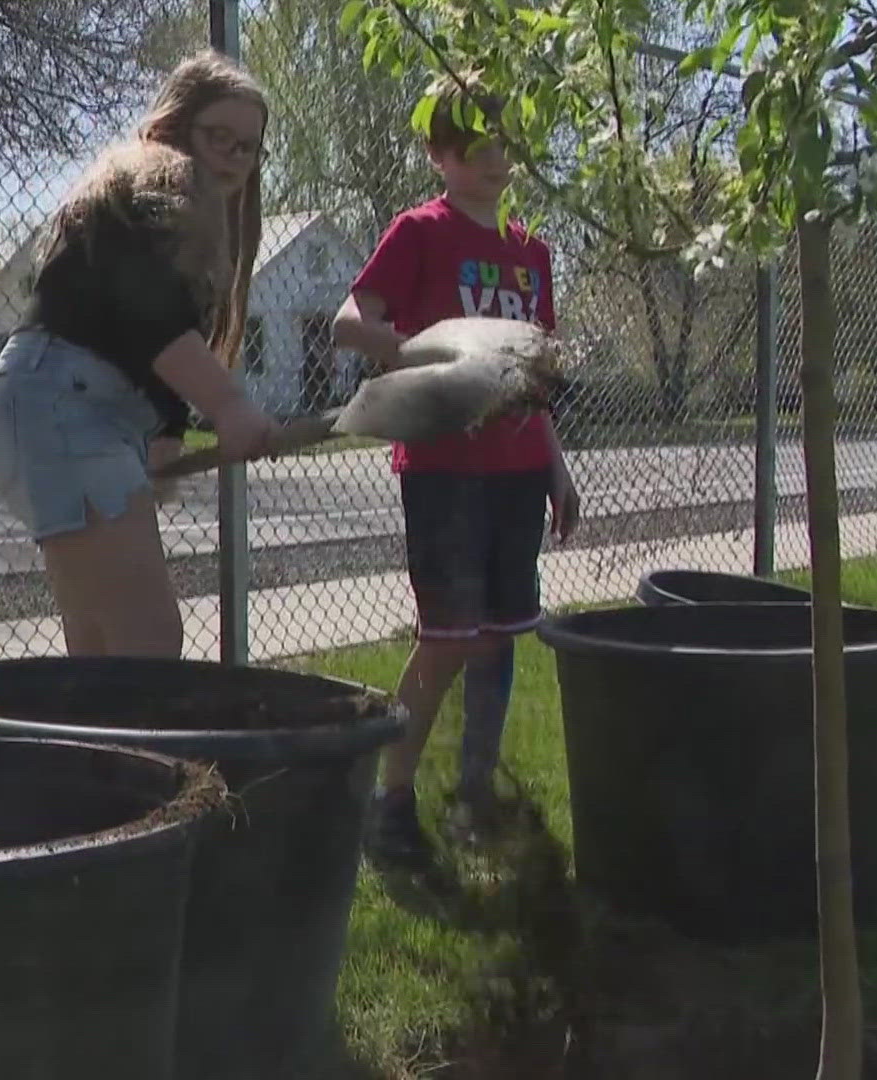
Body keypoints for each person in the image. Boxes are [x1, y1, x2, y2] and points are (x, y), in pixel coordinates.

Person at [331, 71, 582, 864]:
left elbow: (533, 376)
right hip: (443, 469)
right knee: (446, 637)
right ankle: (390, 801)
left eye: (503, 144)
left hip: (516, 472)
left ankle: (476, 792)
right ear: (439, 155)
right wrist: (424, 351)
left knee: (501, 635)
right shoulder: (421, 233)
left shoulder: (530, 251)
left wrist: (556, 467)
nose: (493, 161)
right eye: (473, 149)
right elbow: (349, 324)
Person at [0, 50, 278, 658]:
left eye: (248, 147)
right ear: (176, 126)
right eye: (218, 136)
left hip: (52, 405)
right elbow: (150, 314)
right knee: (147, 643)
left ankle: (88, 754)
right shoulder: (162, 179)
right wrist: (227, 404)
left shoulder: (159, 205)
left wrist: (166, 430)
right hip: (65, 405)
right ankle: (122, 756)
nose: (233, 156)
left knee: (100, 650)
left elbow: (140, 328)